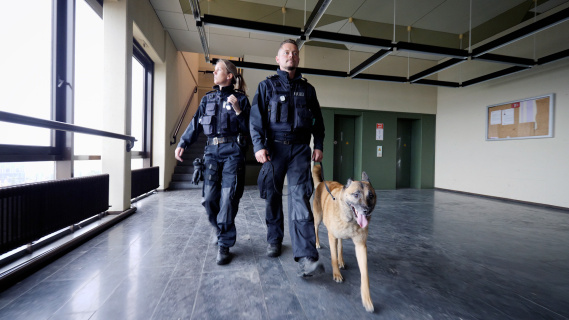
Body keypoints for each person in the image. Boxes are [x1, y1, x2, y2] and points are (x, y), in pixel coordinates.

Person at [250, 39, 325, 277]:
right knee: (272, 195)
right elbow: (256, 120)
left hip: (300, 151)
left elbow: (318, 122)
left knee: (300, 199)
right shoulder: (266, 87)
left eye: (294, 53)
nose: (291, 56)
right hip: (274, 149)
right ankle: (274, 239)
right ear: (278, 58)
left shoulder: (308, 89)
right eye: (286, 52)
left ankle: (306, 255)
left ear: (298, 59)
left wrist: (319, 145)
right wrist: (259, 146)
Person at [175, 59, 250, 265]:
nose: (214, 73)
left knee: (228, 198)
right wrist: (183, 142)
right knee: (209, 199)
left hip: (233, 153)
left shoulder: (240, 100)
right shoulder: (207, 99)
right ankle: (220, 229)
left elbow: (249, 129)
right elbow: (195, 123)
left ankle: (224, 244)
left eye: (218, 70)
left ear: (229, 76)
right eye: (214, 70)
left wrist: (238, 111)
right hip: (211, 153)